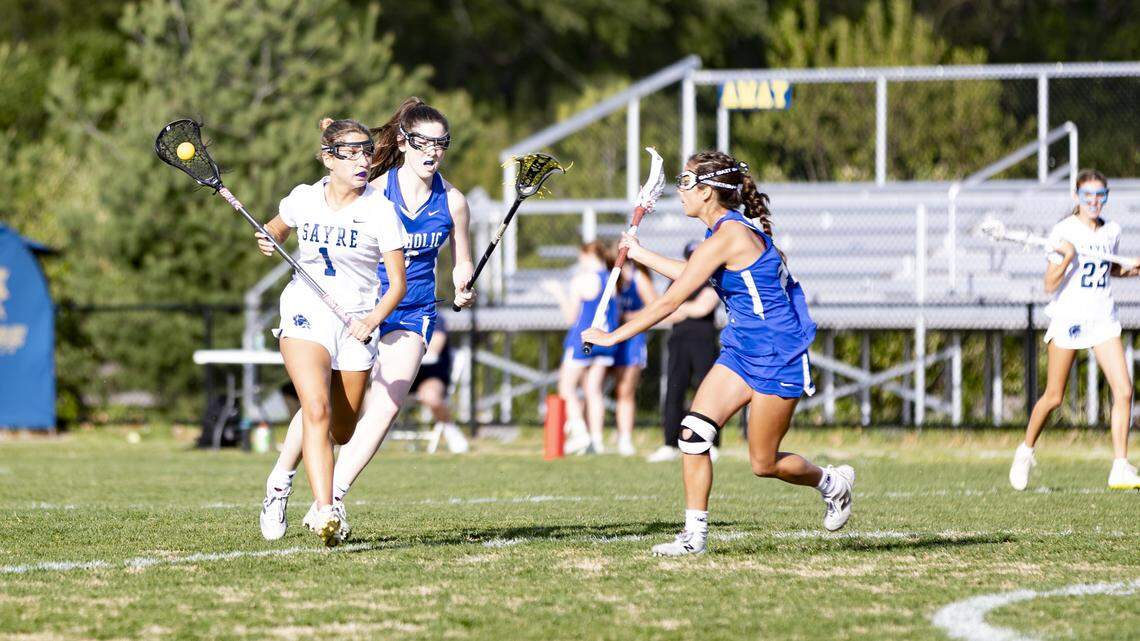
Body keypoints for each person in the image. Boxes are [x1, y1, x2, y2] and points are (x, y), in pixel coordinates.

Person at [582, 151, 854, 556]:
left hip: (778, 354)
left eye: (686, 183)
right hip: (742, 352)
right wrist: (640, 254)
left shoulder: (730, 236)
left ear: (708, 193)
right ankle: (695, 538)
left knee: (763, 463)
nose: (680, 190)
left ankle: (832, 483)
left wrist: (612, 336)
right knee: (692, 435)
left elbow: (671, 301)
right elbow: (694, 273)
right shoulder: (719, 235)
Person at [259, 98, 476, 542]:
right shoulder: (375, 185)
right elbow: (333, 178)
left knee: (388, 401)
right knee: (319, 403)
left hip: (410, 309)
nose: (433, 153)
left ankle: (333, 497)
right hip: (354, 305)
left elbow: (461, 261)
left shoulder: (453, 202)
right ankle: (282, 478)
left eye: (442, 144)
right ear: (403, 143)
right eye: (423, 143)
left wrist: (463, 282)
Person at [255, 119, 407, 546]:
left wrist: (372, 319)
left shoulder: (380, 208)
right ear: (328, 159)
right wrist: (268, 237)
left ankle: (280, 471)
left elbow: (397, 284)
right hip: (306, 310)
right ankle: (322, 509)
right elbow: (276, 228)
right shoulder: (304, 198)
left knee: (341, 429)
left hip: (357, 321)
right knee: (315, 407)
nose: (363, 160)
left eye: (367, 152)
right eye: (352, 153)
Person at [1009, 169, 1140, 491]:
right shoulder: (1063, 231)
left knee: (1123, 390)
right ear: (1076, 198)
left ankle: (1120, 466)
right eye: (1087, 196)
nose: (1094, 202)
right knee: (1054, 396)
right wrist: (1066, 257)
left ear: (1106, 198)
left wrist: (1131, 269)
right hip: (1070, 318)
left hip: (1103, 319)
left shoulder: (1112, 230)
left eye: (1100, 196)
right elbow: (1049, 284)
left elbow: (1105, 268)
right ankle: (1026, 451)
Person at [646, 240, 722, 463]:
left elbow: (703, 308)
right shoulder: (677, 281)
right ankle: (670, 443)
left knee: (707, 391)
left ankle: (711, 443)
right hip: (679, 341)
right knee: (674, 392)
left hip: (704, 341)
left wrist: (679, 307)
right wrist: (680, 308)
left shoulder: (712, 280)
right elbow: (666, 310)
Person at [543, 242, 619, 455]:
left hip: (582, 340)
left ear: (587, 255)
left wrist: (558, 292)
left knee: (566, 387)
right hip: (604, 339)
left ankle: (580, 434)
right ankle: (597, 440)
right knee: (593, 390)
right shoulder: (611, 278)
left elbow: (571, 316)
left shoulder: (583, 280)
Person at [610, 261, 658, 456]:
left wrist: (629, 316)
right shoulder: (610, 278)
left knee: (625, 390)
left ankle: (625, 438)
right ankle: (588, 435)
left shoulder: (638, 277)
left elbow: (655, 307)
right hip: (608, 337)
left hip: (631, 340)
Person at [408, 313, 468, 453]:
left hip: (430, 376)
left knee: (430, 396)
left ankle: (449, 428)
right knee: (370, 396)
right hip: (404, 376)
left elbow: (433, 352)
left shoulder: (435, 319)